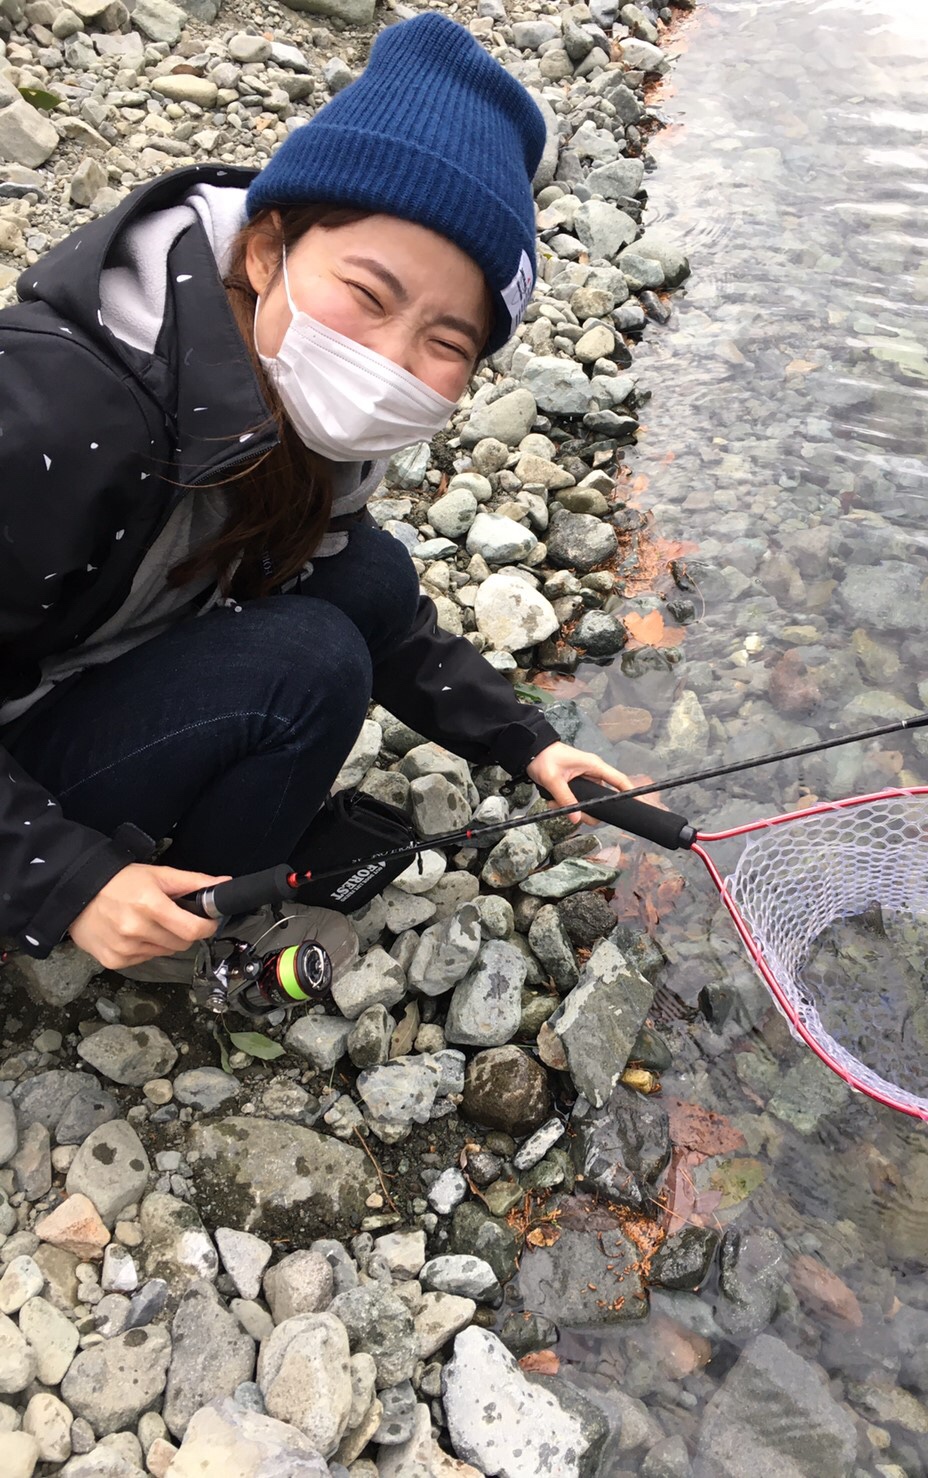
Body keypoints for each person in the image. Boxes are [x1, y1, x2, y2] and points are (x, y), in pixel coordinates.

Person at [0, 12, 632, 983]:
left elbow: (385, 611)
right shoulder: (60, 410)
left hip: (73, 664)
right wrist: (68, 878)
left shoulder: (289, 397)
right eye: (371, 295)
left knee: (367, 575)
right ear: (267, 249)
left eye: (447, 341)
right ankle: (182, 937)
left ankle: (195, 870)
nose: (391, 363)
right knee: (312, 662)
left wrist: (527, 743)